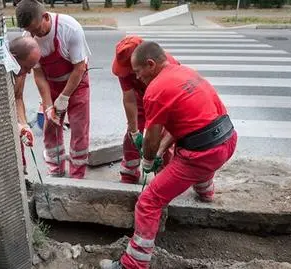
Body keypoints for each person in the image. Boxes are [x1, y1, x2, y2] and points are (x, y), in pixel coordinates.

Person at [100, 41, 237, 269]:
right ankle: (206, 192)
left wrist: (148, 158)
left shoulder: (155, 91)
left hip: (202, 154)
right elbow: (182, 124)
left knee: (148, 202)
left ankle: (133, 264)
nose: (138, 78)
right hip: (227, 140)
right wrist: (163, 149)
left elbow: (151, 140)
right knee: (194, 151)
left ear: (150, 64)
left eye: (138, 72)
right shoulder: (184, 72)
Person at [15, 0, 92, 179]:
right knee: (50, 127)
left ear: (45, 17)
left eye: (37, 29)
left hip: (76, 83)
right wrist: (49, 105)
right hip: (51, 85)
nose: (35, 34)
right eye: (31, 31)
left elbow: (79, 68)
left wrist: (64, 97)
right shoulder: (29, 36)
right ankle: (55, 170)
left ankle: (77, 175)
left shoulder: (70, 29)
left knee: (79, 129)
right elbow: (39, 73)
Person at [112, 35, 179, 184]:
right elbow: (129, 99)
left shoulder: (166, 66)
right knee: (131, 137)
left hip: (164, 100)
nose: (133, 75)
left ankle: (162, 177)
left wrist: (156, 151)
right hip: (142, 99)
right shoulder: (124, 67)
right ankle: (129, 172)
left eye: (134, 71)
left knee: (160, 138)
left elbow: (166, 123)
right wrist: (134, 130)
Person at [9, 36, 41, 174]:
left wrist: (24, 126)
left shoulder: (20, 71)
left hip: (12, 123)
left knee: (20, 166)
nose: (28, 72)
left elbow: (18, 98)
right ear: (13, 58)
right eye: (27, 67)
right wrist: (16, 127)